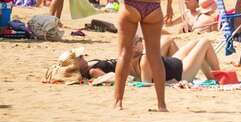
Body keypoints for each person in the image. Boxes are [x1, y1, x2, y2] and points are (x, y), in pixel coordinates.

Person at [78, 36, 220, 83]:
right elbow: (146, 84)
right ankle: (219, 78)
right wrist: (170, 84)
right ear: (134, 47)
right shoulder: (143, 58)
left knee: (197, 44)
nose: (142, 41)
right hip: (181, 72)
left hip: (173, 64)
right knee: (205, 42)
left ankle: (213, 77)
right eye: (140, 40)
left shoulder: (128, 58)